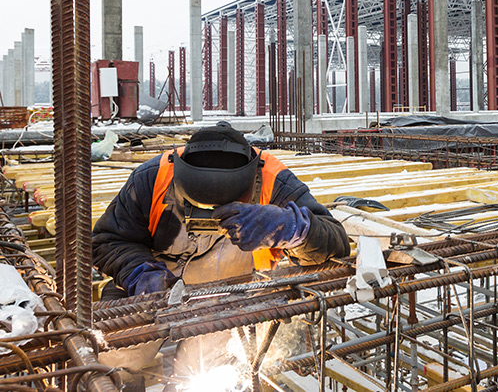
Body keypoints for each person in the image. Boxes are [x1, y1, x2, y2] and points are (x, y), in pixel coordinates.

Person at [92, 121, 350, 384]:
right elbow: (108, 239)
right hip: (153, 293)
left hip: (227, 298)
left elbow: (336, 243)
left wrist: (288, 227)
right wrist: (140, 274)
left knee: (202, 371)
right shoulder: (153, 178)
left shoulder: (274, 180)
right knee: (116, 357)